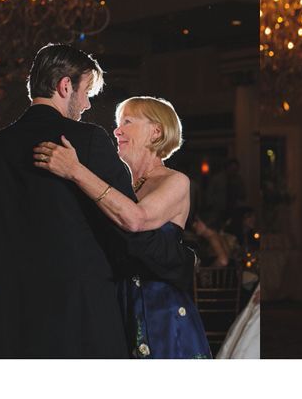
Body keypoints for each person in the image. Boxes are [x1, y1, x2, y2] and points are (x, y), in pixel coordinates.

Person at [0, 44, 195, 357]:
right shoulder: (88, 141)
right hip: (82, 324)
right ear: (65, 86)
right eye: (86, 94)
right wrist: (182, 261)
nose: (85, 106)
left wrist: (9, 276)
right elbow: (127, 239)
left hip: (9, 325)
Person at [33, 96, 210, 358]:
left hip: (161, 315)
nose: (117, 130)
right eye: (118, 123)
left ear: (156, 131)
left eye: (127, 121)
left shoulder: (176, 180)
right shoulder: (120, 186)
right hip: (117, 307)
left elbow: (136, 219)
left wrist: (75, 170)